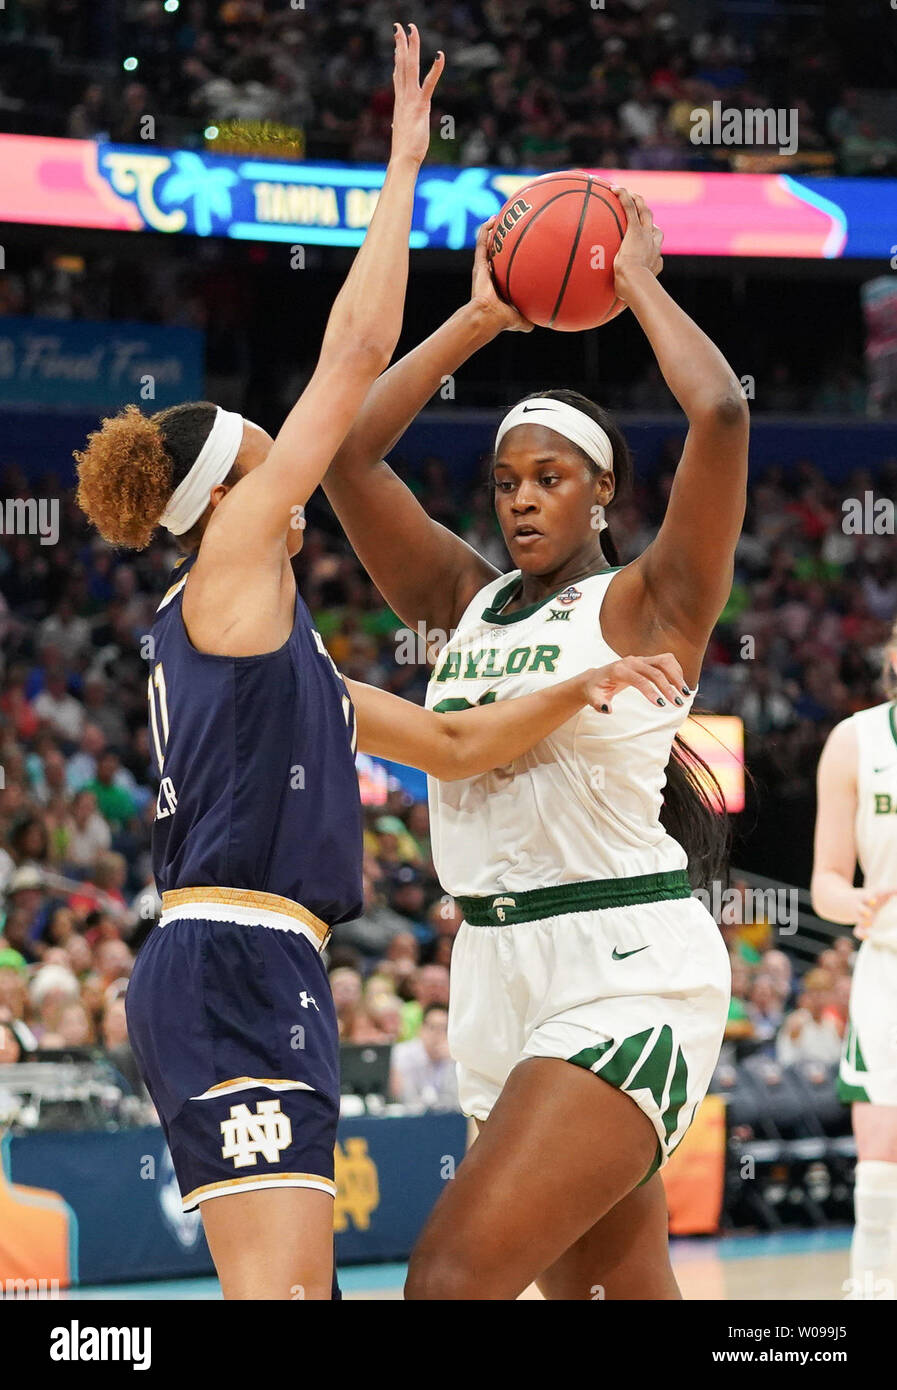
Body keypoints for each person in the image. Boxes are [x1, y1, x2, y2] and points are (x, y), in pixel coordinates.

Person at [72, 32, 672, 1302]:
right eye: (262, 453)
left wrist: (582, 688)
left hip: (272, 966)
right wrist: (408, 169)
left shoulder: (284, 666)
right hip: (230, 961)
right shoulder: (231, 563)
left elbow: (456, 745)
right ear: (231, 494)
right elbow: (347, 370)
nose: (284, 465)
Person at [323, 187, 749, 1299]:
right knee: (613, 1294)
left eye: (550, 479)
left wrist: (638, 282)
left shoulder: (649, 602)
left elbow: (721, 417)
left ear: (604, 491)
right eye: (507, 481)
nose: (521, 501)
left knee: (449, 1280)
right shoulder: (463, 597)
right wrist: (479, 318)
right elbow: (350, 460)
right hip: (495, 972)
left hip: (620, 970)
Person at [811, 618, 897, 1300]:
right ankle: (871, 1287)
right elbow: (825, 884)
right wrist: (858, 902)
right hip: (887, 967)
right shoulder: (855, 740)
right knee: (878, 1159)